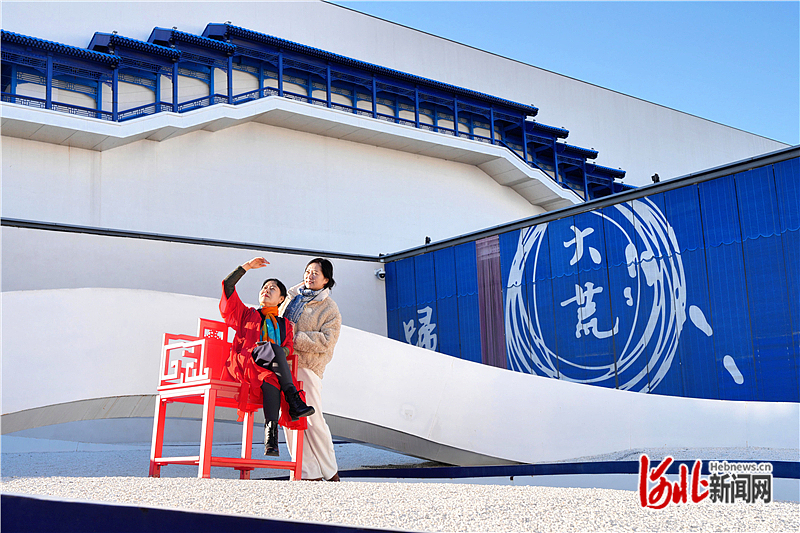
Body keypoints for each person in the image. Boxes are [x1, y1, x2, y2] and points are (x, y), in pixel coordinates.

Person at [220, 256, 314, 457]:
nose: (266, 290)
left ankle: (271, 441)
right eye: (264, 287)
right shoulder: (247, 314)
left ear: (281, 299)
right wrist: (247, 267)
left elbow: (288, 348)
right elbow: (228, 285)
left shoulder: (285, 325)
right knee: (274, 350)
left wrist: (280, 351)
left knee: (271, 380)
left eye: (272, 288)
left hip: (267, 370)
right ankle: (293, 398)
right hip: (247, 362)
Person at [280, 257, 342, 481]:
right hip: (284, 365)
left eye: (316, 273)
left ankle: (330, 470)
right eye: (308, 271)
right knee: (289, 418)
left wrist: (296, 339)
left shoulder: (329, 307)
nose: (310, 276)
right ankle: (307, 472)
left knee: (313, 418)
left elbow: (327, 340)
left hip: (307, 366)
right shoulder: (291, 298)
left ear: (326, 280)